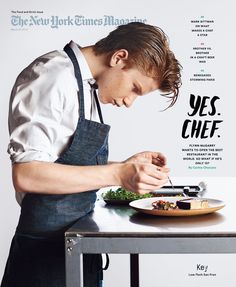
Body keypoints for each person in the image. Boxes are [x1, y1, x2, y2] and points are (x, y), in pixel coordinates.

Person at [1, 22, 181, 287]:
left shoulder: (87, 86)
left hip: (77, 245)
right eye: (134, 88)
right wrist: (118, 174)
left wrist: (125, 166)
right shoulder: (51, 76)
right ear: (119, 58)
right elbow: (28, 174)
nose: (130, 102)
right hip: (44, 258)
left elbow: (61, 162)